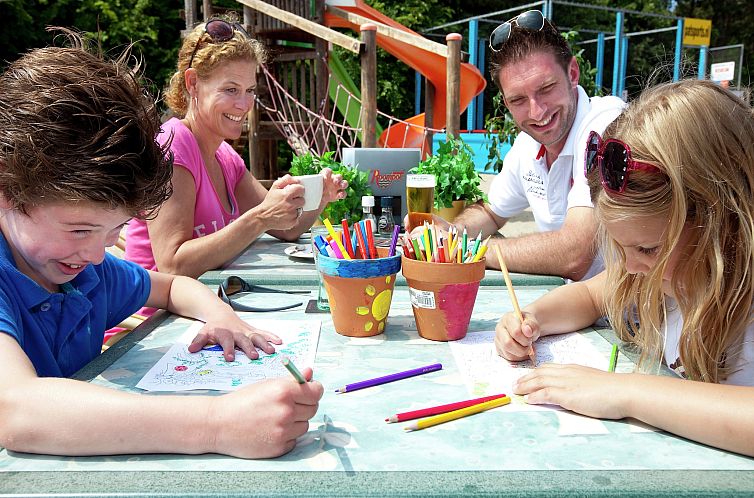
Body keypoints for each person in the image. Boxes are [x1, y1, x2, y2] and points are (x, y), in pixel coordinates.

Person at [0, 32, 323, 458]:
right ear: (7, 192)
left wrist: (221, 315)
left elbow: (170, 286)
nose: (98, 255)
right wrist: (215, 425)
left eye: (114, 230)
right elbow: (18, 410)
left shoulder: (83, 268)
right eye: (80, 230)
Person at [495, 79, 754, 456]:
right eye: (620, 247)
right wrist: (532, 319)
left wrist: (625, 391)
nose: (630, 266)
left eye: (648, 248)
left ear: (722, 221)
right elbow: (588, 294)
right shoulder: (654, 275)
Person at [126, 16, 348, 279]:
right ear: (193, 83)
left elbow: (286, 229)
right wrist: (260, 218)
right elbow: (173, 264)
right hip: (156, 317)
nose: (244, 104)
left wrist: (319, 198)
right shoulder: (173, 147)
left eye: (250, 90)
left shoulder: (224, 156)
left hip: (206, 304)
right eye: (231, 89)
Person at [439, 10, 625, 281]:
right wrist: (449, 233)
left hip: (630, 319)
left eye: (546, 88)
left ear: (573, 73)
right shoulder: (527, 144)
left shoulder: (608, 125)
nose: (537, 112)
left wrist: (468, 249)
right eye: (518, 100)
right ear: (505, 103)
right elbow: (490, 213)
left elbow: (576, 254)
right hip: (577, 311)